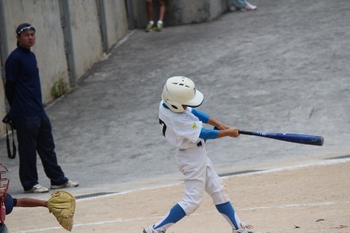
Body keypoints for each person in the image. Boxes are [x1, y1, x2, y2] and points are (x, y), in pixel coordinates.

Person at [143, 76, 258, 233]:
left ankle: (238, 228)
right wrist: (228, 133)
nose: (187, 105)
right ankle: (155, 230)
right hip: (191, 158)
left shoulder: (167, 103)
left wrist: (217, 123)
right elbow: (203, 134)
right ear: (175, 104)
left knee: (218, 189)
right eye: (185, 103)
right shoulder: (177, 119)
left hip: (196, 154)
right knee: (192, 201)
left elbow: (194, 112)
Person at [4, 23, 78, 193]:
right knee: (28, 149)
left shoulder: (31, 56)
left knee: (47, 146)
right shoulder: (15, 59)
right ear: (18, 38)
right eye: (26, 35)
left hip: (38, 110)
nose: (30, 37)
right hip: (24, 112)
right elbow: (10, 85)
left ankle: (57, 179)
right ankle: (30, 183)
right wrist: (14, 107)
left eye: (32, 34)